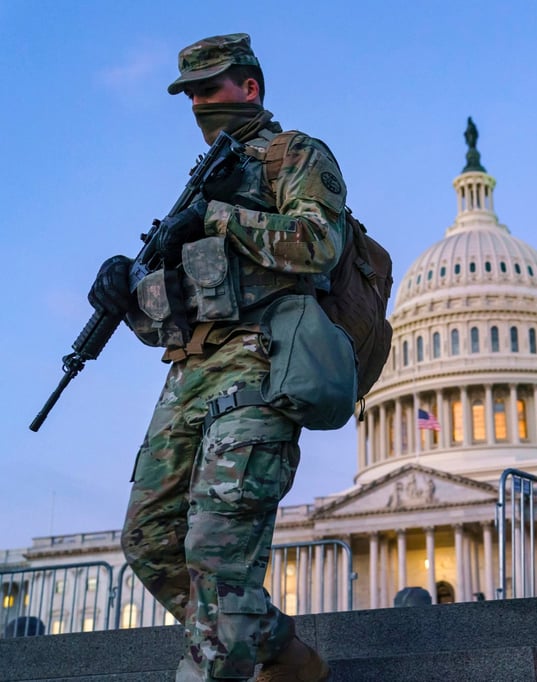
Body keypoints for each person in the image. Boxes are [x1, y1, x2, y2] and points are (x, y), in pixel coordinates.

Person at [87, 33, 346, 680]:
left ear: (249, 87)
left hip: (262, 359)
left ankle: (220, 660)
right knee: (148, 540)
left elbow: (319, 245)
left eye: (210, 89)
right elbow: (166, 321)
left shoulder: (295, 156)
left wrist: (221, 216)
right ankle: (281, 650)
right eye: (191, 94)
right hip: (189, 373)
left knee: (216, 548)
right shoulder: (197, 188)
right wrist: (128, 289)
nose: (200, 104)